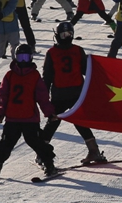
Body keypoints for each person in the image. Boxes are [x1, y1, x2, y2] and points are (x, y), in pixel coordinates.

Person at [40, 21, 107, 165]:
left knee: (53, 122)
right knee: (77, 121)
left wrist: (44, 97)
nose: (66, 37)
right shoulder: (77, 50)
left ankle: (42, 153)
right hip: (76, 93)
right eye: (64, 34)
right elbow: (87, 71)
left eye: (68, 34)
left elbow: (47, 77)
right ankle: (93, 150)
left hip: (61, 94)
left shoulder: (52, 52)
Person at [0, 49, 59, 181]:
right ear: (15, 57)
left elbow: (42, 97)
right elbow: (3, 95)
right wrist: (2, 113)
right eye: (20, 57)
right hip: (12, 117)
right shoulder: (10, 76)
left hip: (30, 118)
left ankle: (49, 164)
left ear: (31, 58)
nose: (23, 61)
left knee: (36, 142)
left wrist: (49, 113)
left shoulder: (34, 75)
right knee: (6, 143)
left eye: (26, 57)